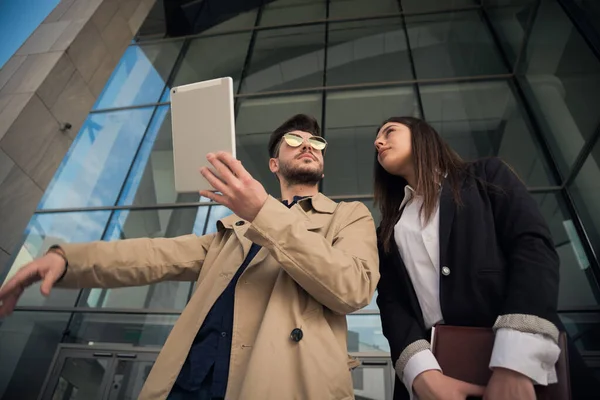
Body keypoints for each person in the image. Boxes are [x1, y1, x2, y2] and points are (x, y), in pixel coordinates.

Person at [0, 114, 379, 400]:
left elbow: (353, 287)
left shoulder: (348, 215)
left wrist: (263, 210)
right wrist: (69, 260)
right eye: (294, 139)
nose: (308, 144)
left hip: (278, 385)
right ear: (273, 164)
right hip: (192, 379)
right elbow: (155, 254)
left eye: (316, 141)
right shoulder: (236, 228)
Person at [373, 116, 596, 400]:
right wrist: (421, 374)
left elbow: (531, 248)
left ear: (421, 135)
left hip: (518, 365)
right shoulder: (388, 229)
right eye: (376, 141)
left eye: (389, 132)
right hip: (433, 377)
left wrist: (514, 364)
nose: (379, 142)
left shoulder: (487, 175)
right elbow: (392, 303)